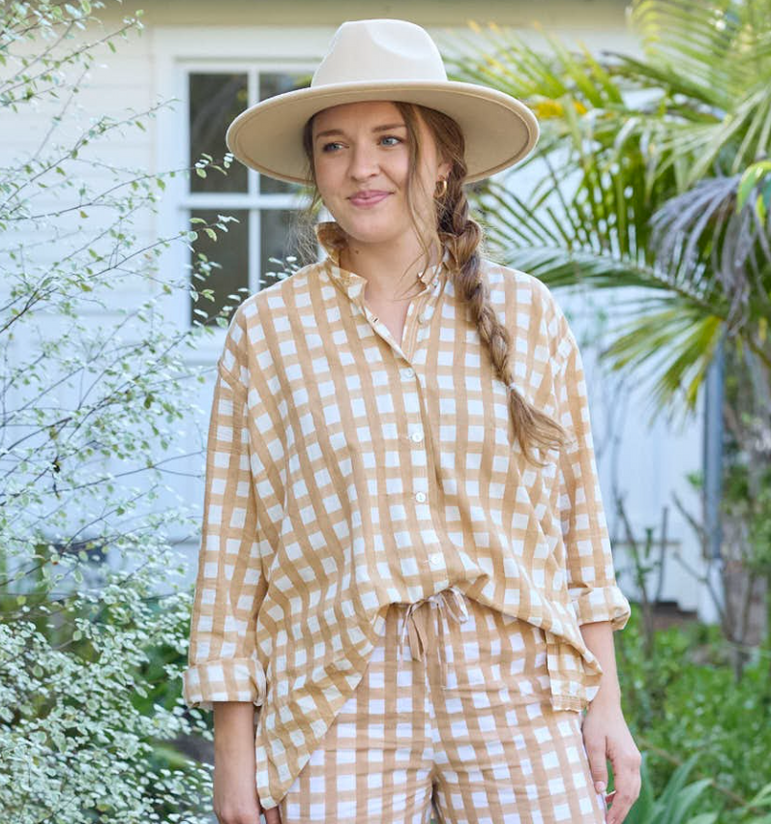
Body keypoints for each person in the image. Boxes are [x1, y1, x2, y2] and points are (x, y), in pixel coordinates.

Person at [181, 17, 641, 824]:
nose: (361, 168)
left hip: (513, 679)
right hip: (338, 687)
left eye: (389, 139)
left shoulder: (529, 316)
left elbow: (578, 526)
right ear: (313, 166)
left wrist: (605, 703)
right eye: (333, 145)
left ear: (442, 159)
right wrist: (233, 754)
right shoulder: (267, 332)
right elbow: (234, 554)